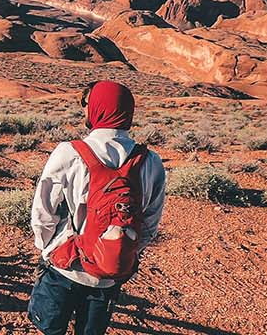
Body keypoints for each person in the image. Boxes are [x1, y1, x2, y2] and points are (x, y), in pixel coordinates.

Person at [27, 81, 167, 335]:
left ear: (95, 109)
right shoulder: (151, 161)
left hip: (66, 266)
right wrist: (121, 251)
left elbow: (43, 210)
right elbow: (150, 221)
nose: (84, 110)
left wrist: (46, 247)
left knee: (51, 329)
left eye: (86, 104)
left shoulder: (69, 152)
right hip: (110, 273)